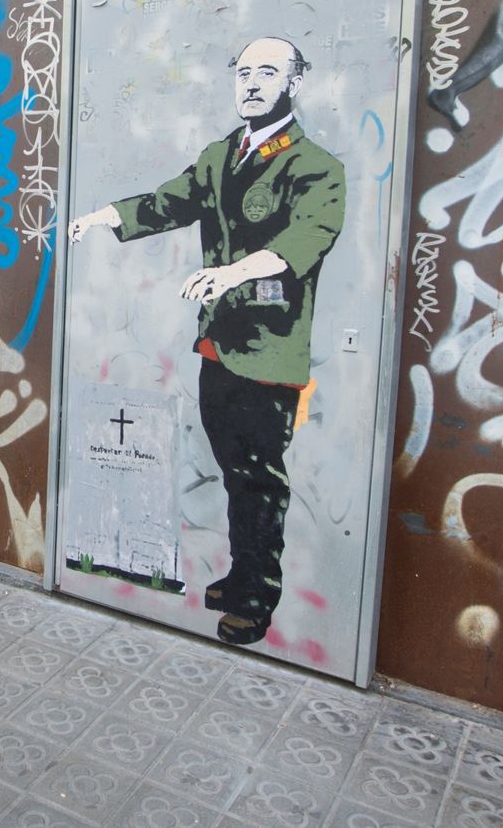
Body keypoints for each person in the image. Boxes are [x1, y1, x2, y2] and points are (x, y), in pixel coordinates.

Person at [66, 36, 346, 647]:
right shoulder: (223, 155)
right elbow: (174, 200)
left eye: (267, 72)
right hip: (218, 346)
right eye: (244, 72)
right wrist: (107, 217)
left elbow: (307, 239)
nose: (251, 82)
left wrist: (234, 271)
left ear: (293, 83)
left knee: (260, 478)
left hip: (270, 351)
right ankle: (243, 571)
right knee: (234, 469)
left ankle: (254, 596)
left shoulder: (317, 167)